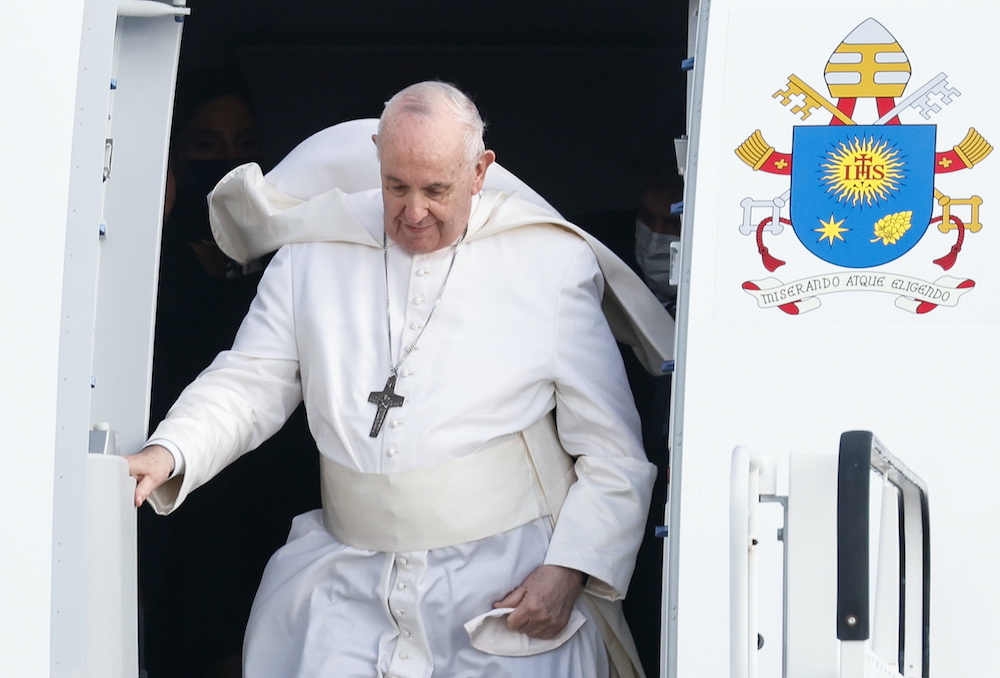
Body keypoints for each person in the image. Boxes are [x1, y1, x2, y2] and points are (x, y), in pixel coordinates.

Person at [128, 81, 671, 678]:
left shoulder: (550, 263)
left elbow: (614, 454)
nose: (414, 213)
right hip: (345, 589)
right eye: (396, 186)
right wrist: (171, 448)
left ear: (479, 171)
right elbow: (252, 379)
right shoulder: (312, 251)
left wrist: (567, 571)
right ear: (375, 157)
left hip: (504, 588)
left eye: (436, 190)